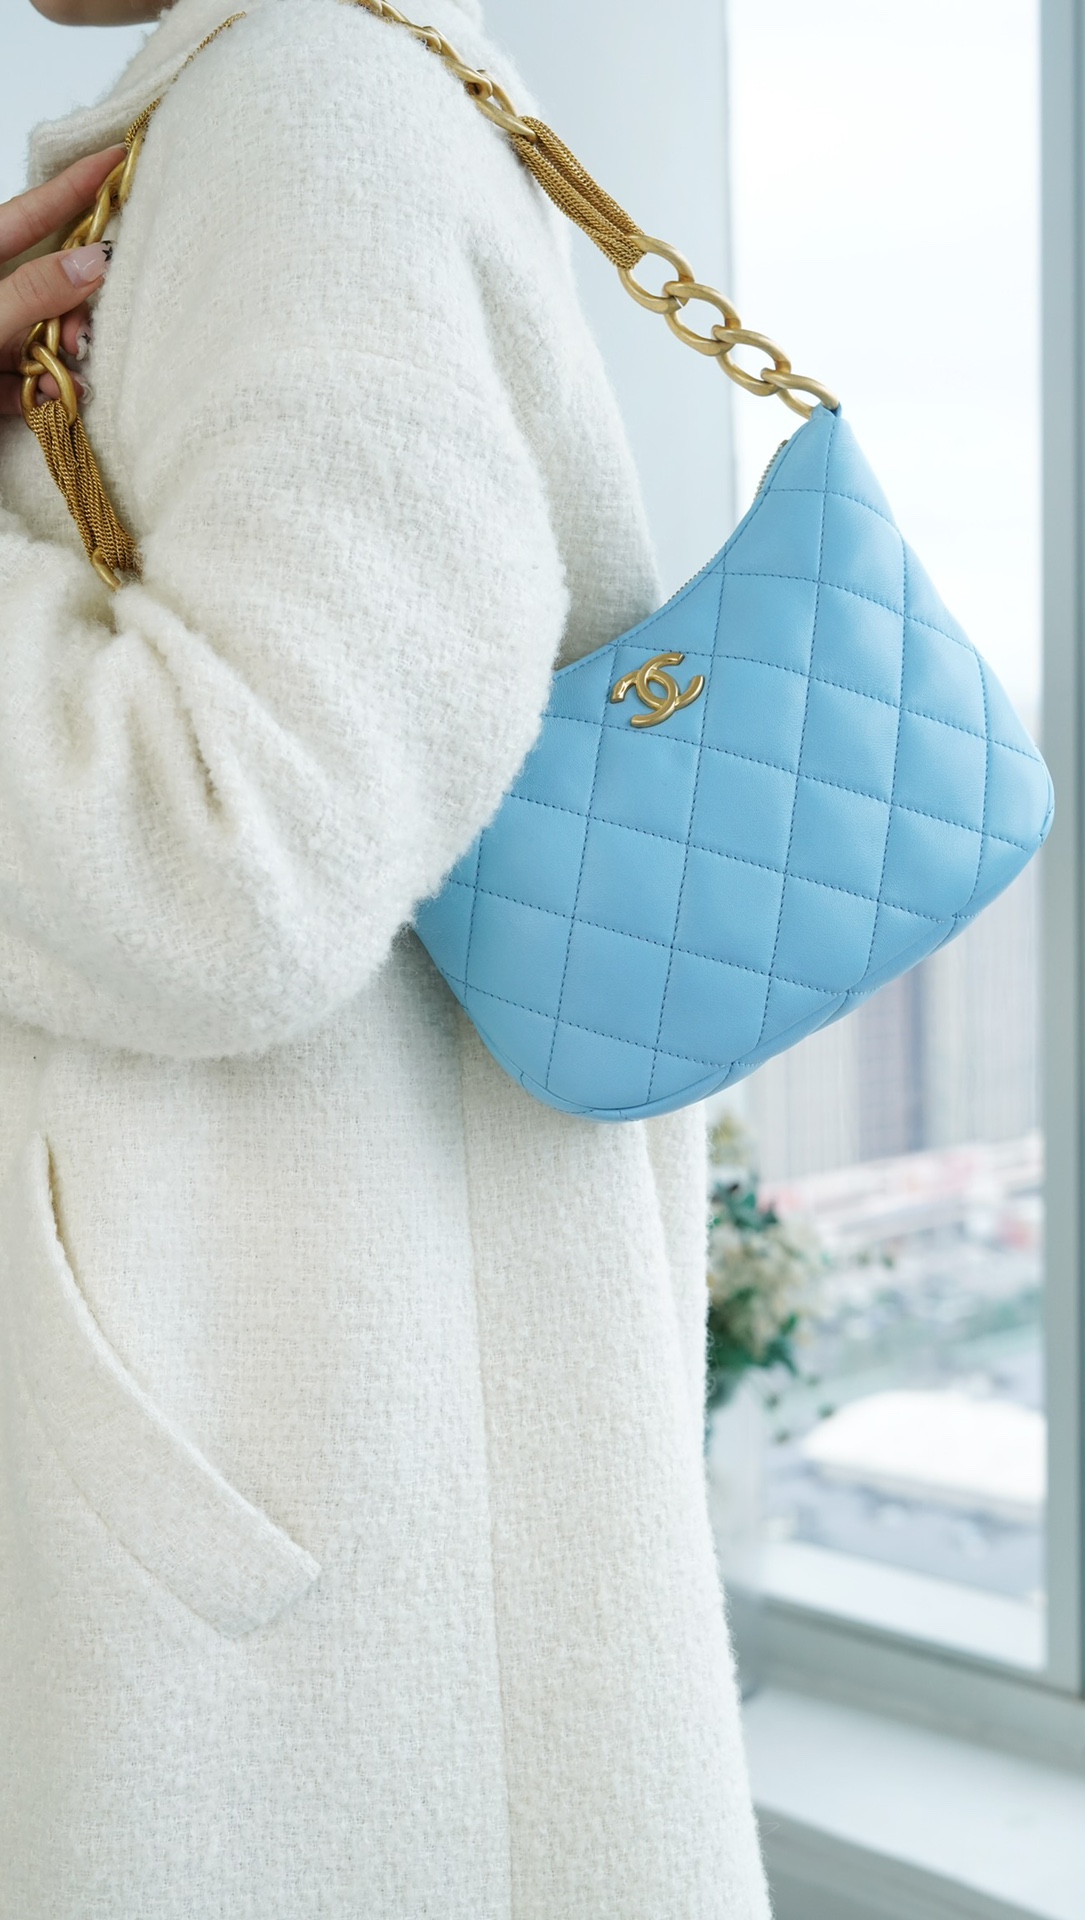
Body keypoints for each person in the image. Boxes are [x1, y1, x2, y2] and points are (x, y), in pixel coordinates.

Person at [0, 1, 771, 1913]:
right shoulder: (278, 109)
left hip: (284, 1501)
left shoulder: (311, 113)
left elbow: (236, 854)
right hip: (278, 1445)